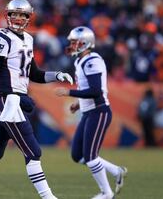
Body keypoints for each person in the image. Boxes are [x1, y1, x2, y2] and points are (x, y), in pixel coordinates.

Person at [0, 0, 73, 199]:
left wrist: (57, 75)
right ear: (7, 15)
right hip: (7, 101)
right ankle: (49, 197)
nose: (17, 18)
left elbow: (34, 74)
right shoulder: (0, 37)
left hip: (16, 100)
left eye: (22, 15)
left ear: (28, 17)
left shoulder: (28, 39)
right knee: (33, 152)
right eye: (14, 14)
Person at [55, 26, 128, 199]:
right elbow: (87, 88)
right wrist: (78, 104)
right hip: (89, 112)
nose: (72, 45)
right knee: (77, 155)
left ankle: (106, 193)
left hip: (99, 112)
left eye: (75, 42)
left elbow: (96, 91)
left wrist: (69, 92)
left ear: (86, 43)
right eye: (71, 42)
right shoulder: (80, 61)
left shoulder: (92, 61)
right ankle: (116, 171)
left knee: (90, 157)